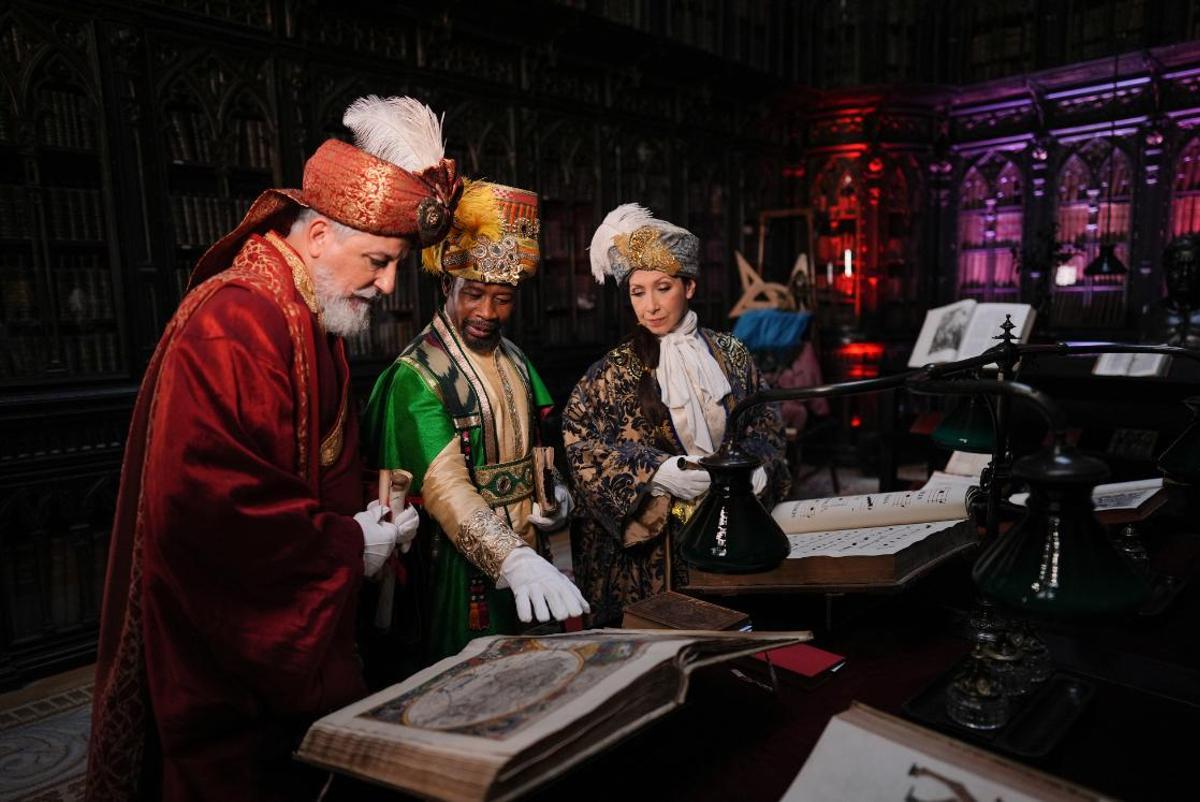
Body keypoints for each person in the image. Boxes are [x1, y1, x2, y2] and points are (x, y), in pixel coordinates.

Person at [85, 96, 463, 802]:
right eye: (379, 262)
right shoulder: (237, 324)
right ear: (319, 236)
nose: (387, 286)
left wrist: (367, 513)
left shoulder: (304, 312)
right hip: (224, 672)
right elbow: (215, 514)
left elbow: (310, 466)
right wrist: (350, 547)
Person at [362, 180, 587, 667]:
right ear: (447, 285)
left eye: (502, 298)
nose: (487, 313)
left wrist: (558, 497)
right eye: (474, 294)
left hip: (533, 545)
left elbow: (541, 447)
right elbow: (446, 488)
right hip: (458, 568)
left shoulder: (516, 357)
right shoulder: (417, 374)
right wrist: (512, 557)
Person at [563, 204, 790, 626]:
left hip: (731, 525)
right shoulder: (612, 373)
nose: (650, 306)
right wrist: (657, 470)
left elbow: (766, 425)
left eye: (662, 287)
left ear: (689, 286)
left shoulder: (733, 355)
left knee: (734, 631)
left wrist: (760, 466)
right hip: (656, 550)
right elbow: (580, 445)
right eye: (637, 292)